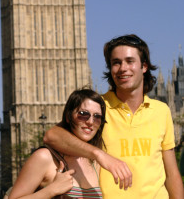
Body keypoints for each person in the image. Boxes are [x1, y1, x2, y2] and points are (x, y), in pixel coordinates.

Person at [44, 34, 184, 198]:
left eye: (130, 61)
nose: (123, 68)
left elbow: (172, 174)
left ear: (144, 66)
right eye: (116, 62)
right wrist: (100, 155)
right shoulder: (98, 109)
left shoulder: (162, 111)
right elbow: (52, 136)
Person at [8, 88, 105, 199]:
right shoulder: (44, 157)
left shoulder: (96, 162)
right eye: (83, 114)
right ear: (68, 117)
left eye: (97, 116)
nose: (90, 121)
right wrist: (51, 190)